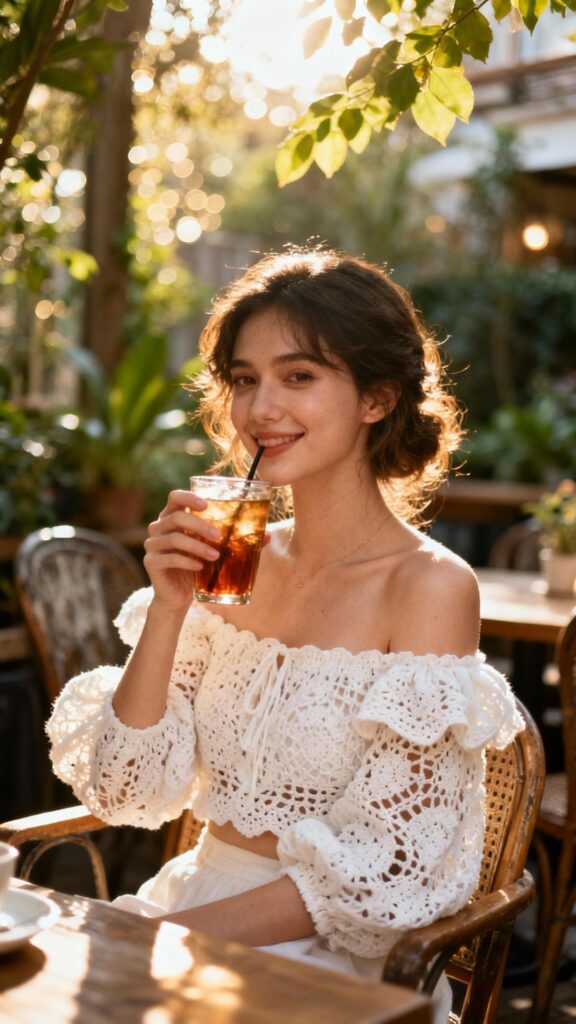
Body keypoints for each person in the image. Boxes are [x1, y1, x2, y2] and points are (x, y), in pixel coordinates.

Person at [47, 247, 522, 1022]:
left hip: (328, 957)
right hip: (191, 907)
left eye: (298, 377)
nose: (260, 408)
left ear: (377, 397)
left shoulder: (429, 588)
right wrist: (166, 609)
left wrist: (162, 935)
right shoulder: (233, 560)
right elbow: (123, 789)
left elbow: (385, 869)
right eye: (244, 379)